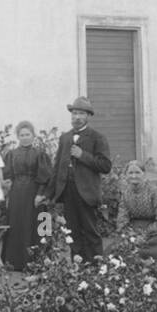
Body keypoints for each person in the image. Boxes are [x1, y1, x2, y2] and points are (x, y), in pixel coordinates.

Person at [43, 96, 112, 263]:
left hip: (87, 192)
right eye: (74, 113)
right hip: (68, 191)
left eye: (81, 113)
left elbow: (105, 166)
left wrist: (83, 156)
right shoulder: (65, 138)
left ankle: (96, 268)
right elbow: (57, 167)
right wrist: (49, 193)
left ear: (88, 116)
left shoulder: (97, 137)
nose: (77, 117)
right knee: (71, 232)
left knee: (90, 231)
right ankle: (78, 268)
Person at [0, 121, 52, 271]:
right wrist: (6, 188)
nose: (24, 138)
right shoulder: (11, 154)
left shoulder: (40, 154)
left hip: (34, 192)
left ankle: (37, 261)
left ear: (33, 135)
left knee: (36, 225)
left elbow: (46, 176)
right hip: (16, 194)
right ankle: (14, 262)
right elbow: (7, 175)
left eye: (27, 134)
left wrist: (41, 194)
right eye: (21, 135)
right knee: (16, 225)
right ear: (18, 136)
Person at [115, 160, 157, 258]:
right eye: (130, 173)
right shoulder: (125, 193)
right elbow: (122, 219)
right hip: (135, 227)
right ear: (126, 175)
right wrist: (132, 234)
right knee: (118, 249)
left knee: (154, 252)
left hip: (155, 229)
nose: (134, 176)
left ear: (144, 174)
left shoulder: (154, 191)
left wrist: (144, 234)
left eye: (137, 172)